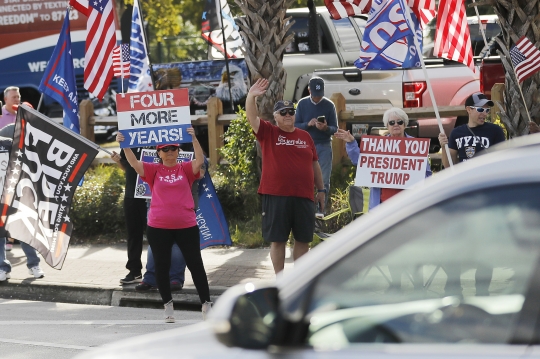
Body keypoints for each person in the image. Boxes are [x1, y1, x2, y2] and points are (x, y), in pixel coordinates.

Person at [114, 127, 212, 322]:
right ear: (158, 153)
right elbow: (133, 162)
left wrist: (194, 138)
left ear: (178, 151)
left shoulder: (185, 168)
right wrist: (123, 144)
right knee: (161, 265)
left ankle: (207, 304)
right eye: (165, 149)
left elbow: (200, 160)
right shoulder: (153, 169)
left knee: (196, 265)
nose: (170, 152)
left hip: (186, 225)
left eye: (173, 149)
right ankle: (168, 306)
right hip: (159, 227)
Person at [334, 107, 432, 290]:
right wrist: (350, 142)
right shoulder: (378, 145)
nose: (396, 125)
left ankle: (414, 282)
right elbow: (359, 161)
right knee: (389, 248)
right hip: (383, 207)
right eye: (392, 122)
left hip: (408, 208)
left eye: (399, 122)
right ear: (386, 125)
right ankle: (396, 283)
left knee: (409, 247)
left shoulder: (415, 147)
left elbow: (427, 174)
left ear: (405, 125)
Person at [246, 78, 325, 274]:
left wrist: (321, 189)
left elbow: (315, 163)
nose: (288, 115)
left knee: (303, 240)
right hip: (276, 195)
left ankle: (298, 280)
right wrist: (251, 97)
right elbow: (252, 118)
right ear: (276, 117)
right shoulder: (269, 132)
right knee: (278, 240)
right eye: (284, 112)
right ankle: (280, 280)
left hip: (304, 196)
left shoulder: (305, 136)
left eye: (291, 112)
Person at [0, 134, 44, 281]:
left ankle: (34, 265)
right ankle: (2, 268)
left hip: (15, 196)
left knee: (23, 231)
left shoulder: (7, 143)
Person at [294, 77, 337, 212]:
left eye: (320, 95)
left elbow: (334, 128)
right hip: (305, 146)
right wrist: (308, 124)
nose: (318, 98)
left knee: (323, 181)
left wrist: (325, 128)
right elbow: (295, 126)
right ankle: (306, 211)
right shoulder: (302, 104)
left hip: (324, 145)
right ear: (309, 90)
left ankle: (321, 212)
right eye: (315, 95)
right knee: (304, 179)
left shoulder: (329, 105)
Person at [438, 92, 506, 167]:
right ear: (469, 109)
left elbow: (501, 161)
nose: (484, 113)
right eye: (480, 109)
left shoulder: (495, 131)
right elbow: (449, 166)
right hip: (466, 177)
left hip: (487, 176)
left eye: (487, 110)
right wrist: (444, 147)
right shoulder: (456, 133)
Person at [111, 148, 148, 285]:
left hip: (152, 195)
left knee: (156, 235)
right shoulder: (130, 139)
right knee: (133, 234)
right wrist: (118, 161)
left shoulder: (156, 137)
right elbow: (126, 167)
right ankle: (134, 271)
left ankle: (157, 272)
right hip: (131, 194)